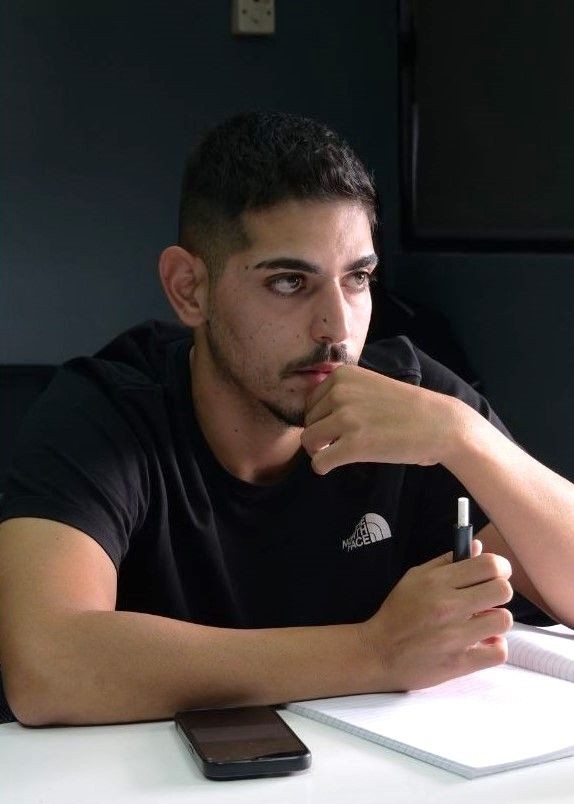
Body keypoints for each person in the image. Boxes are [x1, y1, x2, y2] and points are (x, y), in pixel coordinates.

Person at [1, 111, 573, 728]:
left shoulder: (415, 401)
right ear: (189, 289)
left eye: (357, 278)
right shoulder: (106, 409)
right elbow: (47, 665)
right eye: (288, 282)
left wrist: (469, 438)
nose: (337, 327)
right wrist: (372, 653)